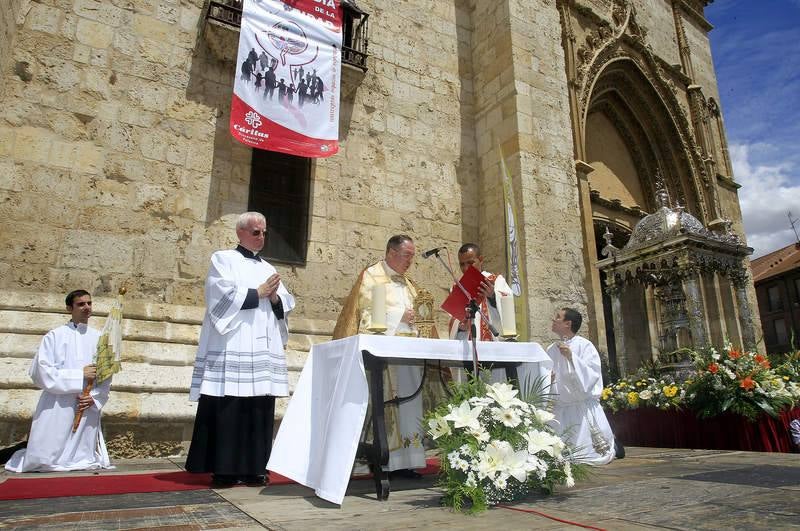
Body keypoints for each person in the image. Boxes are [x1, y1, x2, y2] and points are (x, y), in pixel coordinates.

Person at [185, 212, 295, 487]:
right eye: (256, 232)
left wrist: (274, 297)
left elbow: (286, 302)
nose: (262, 237)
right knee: (230, 408)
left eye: (264, 232)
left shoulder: (269, 267)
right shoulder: (223, 259)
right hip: (232, 345)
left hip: (261, 348)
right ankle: (224, 470)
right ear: (241, 233)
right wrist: (256, 293)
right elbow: (217, 296)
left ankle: (255, 468)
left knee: (259, 408)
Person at [332, 235, 428, 477]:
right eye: (407, 255)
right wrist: (399, 316)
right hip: (385, 356)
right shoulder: (371, 276)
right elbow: (365, 314)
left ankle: (408, 462)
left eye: (412, 256)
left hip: (410, 355)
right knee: (386, 408)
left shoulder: (409, 284)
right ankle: (384, 461)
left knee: (409, 407)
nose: (410, 261)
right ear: (391, 252)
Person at [5, 290, 112, 472]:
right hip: (57, 402)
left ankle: (79, 458)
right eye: (81, 304)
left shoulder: (100, 338)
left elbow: (106, 374)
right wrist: (79, 375)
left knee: (81, 457)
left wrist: (95, 397)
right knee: (45, 456)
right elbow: (41, 371)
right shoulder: (55, 336)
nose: (87, 307)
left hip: (84, 403)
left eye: (89, 303)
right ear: (69, 308)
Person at [547, 308, 616, 465]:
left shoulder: (585, 346)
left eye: (557, 317)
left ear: (568, 323)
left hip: (582, 409)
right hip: (561, 410)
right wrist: (548, 378)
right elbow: (548, 377)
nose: (553, 319)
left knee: (586, 455)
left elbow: (592, 375)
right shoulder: (551, 349)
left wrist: (572, 357)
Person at [448, 243, 514, 383]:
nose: (466, 268)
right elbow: (453, 319)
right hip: (468, 350)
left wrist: (492, 296)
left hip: (492, 349)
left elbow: (508, 306)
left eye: (471, 263)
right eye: (462, 264)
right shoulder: (457, 287)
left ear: (481, 259)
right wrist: (460, 326)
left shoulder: (495, 281)